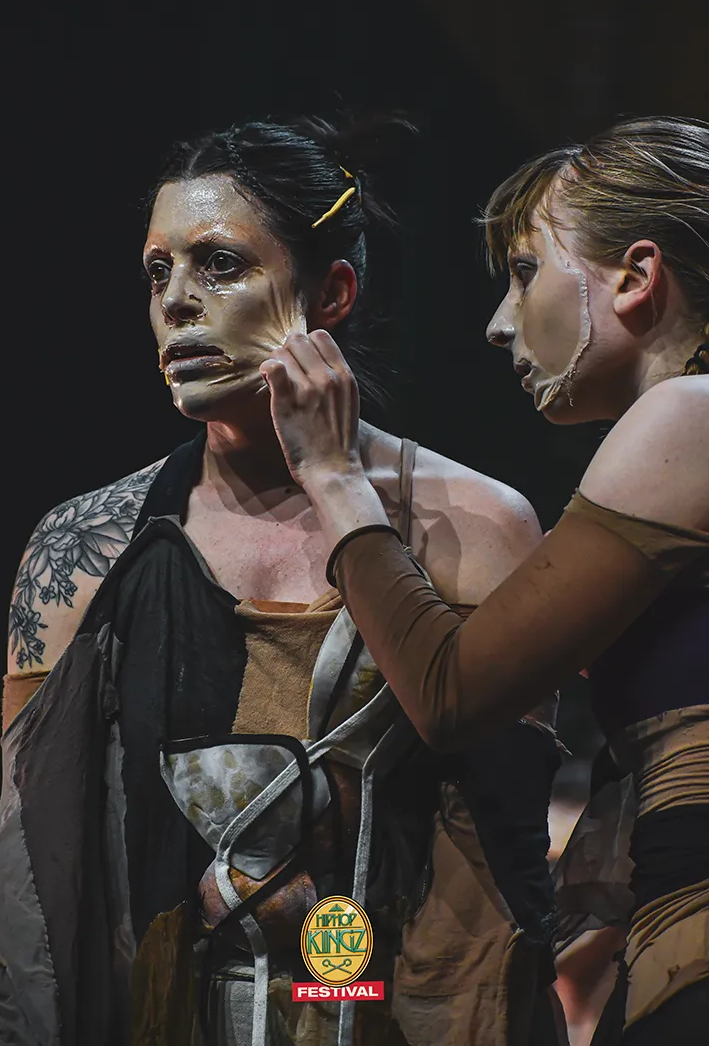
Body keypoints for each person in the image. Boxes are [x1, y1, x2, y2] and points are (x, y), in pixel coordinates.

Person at [0, 116, 564, 1046]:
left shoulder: (477, 525)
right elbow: (32, 886)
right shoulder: (84, 548)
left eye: (220, 264)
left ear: (332, 292)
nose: (177, 301)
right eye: (157, 272)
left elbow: (500, 865)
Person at [258, 115, 709, 1044]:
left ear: (637, 277)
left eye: (526, 271)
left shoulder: (686, 419)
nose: (500, 322)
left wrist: (334, 477)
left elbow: (453, 695)